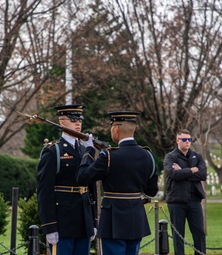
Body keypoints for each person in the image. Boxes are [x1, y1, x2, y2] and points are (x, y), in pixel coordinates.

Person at [76, 111, 159, 255]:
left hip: (114, 219)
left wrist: (88, 150)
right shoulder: (148, 155)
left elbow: (82, 177)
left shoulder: (108, 156)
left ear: (116, 129)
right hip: (136, 217)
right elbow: (152, 191)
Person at [37, 104, 97, 255]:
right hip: (62, 222)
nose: (78, 123)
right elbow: (45, 192)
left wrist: (93, 221)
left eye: (80, 120)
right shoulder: (53, 151)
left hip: (83, 220)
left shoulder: (84, 149)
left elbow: (92, 187)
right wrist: (49, 227)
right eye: (73, 119)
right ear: (62, 122)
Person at [163, 129, 207, 255]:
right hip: (176, 201)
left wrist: (183, 170)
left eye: (189, 140)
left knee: (199, 232)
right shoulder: (170, 157)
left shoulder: (197, 156)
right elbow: (173, 174)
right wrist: (191, 170)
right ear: (177, 140)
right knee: (178, 235)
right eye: (184, 140)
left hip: (194, 200)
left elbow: (202, 175)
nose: (187, 142)